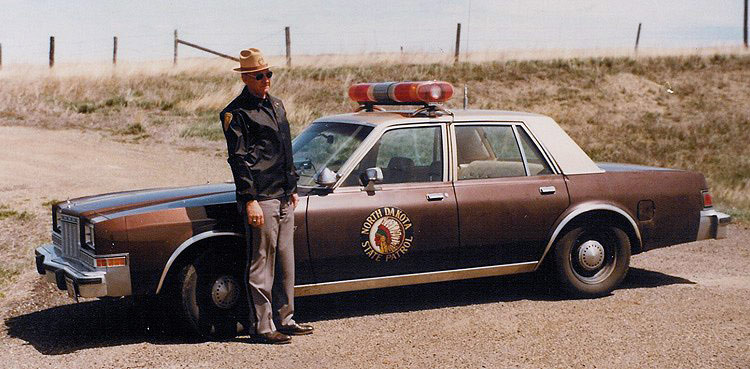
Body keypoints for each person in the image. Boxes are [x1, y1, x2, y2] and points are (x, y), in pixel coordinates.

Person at [220, 48, 313, 345]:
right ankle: (261, 326)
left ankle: (286, 319)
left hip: (284, 195)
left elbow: (286, 148)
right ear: (246, 78)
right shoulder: (236, 113)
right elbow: (239, 160)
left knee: (286, 261)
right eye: (260, 75)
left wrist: (292, 186)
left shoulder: (277, 105)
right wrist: (249, 200)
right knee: (262, 262)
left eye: (269, 73)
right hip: (261, 197)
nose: (266, 79)